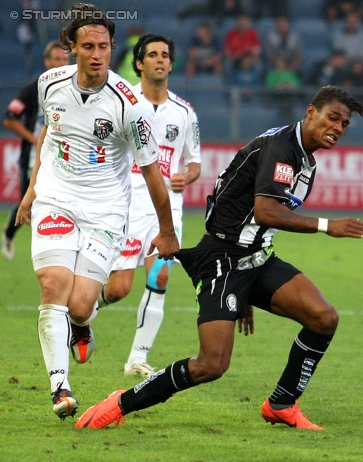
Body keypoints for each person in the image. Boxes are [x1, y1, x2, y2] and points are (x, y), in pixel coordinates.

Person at [75, 85, 363, 431]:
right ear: (311, 112)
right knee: (211, 365)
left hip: (256, 258)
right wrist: (327, 225)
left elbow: (249, 214)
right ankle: (120, 402)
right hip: (222, 260)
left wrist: (245, 296)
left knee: (323, 318)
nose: (336, 127)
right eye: (331, 117)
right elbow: (265, 212)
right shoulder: (282, 148)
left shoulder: (303, 158)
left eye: (344, 124)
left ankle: (282, 403)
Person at [15, 3, 179, 420]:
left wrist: (167, 231)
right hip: (56, 197)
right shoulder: (49, 83)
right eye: (87, 46)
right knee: (54, 287)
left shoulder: (128, 106)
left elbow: (154, 176)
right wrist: (33, 191)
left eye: (104, 46)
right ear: (72, 47)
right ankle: (60, 388)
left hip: (106, 211)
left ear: (111, 48)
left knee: (81, 304)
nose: (97, 54)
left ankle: (83, 324)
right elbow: (51, 133)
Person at [97, 34, 201, 377]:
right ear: (139, 63)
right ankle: (81, 314)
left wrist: (187, 175)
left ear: (171, 64)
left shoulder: (185, 112)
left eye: (165, 55)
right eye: (152, 55)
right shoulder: (123, 103)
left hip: (166, 208)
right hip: (127, 204)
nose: (160, 60)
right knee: (118, 289)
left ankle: (136, 359)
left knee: (160, 277)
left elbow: (194, 161)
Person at [2, 41, 69, 261]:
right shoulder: (34, 89)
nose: (61, 64)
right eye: (56, 59)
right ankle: (10, 233)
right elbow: (10, 119)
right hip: (32, 157)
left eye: (65, 60)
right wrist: (36, 140)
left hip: (63, 158)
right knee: (27, 203)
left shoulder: (74, 90)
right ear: (47, 62)